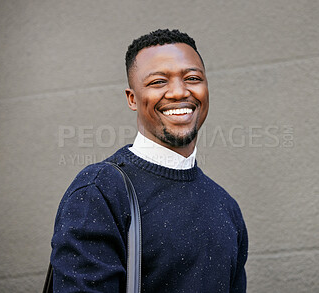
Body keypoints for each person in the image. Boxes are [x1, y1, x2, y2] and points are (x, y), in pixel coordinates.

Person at [51, 29, 248, 292]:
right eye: (158, 82)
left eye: (192, 78)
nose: (179, 92)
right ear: (133, 98)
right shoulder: (99, 192)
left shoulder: (227, 207)